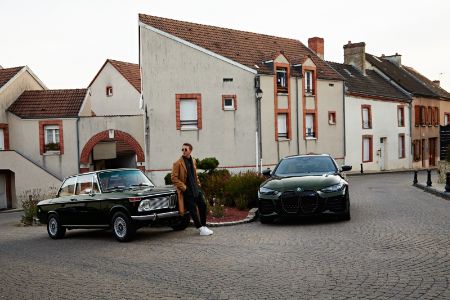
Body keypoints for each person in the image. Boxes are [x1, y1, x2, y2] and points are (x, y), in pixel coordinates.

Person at [171, 143, 213, 236]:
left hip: (196, 189)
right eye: (182, 149)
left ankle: (204, 226)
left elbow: (195, 174)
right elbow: (174, 178)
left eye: (185, 149)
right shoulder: (177, 163)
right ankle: (200, 228)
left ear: (190, 150)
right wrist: (184, 188)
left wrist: (198, 183)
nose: (183, 151)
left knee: (203, 205)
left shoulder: (193, 161)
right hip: (186, 191)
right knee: (193, 210)